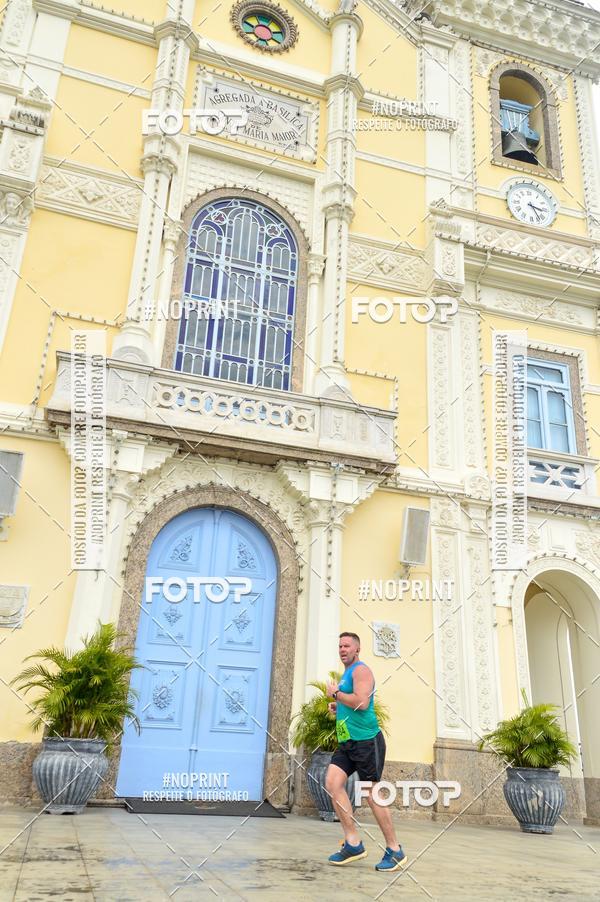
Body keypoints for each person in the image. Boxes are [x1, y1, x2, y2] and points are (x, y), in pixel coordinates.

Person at [325, 631, 407, 871]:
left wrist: (336, 694)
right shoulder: (347, 673)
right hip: (348, 741)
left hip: (367, 742)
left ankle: (395, 849)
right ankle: (353, 843)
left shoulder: (361, 671)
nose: (342, 649)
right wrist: (337, 704)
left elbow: (361, 701)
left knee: (371, 794)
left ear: (357, 649)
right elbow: (354, 702)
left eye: (347, 646)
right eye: (340, 645)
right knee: (332, 782)